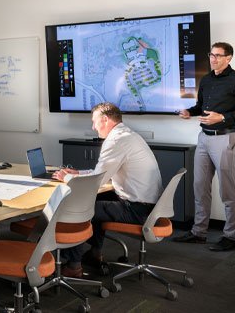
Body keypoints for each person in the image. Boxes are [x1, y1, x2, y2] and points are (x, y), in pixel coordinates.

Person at [53, 102, 162, 277]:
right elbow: (102, 174)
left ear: (105, 120)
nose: (93, 127)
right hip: (146, 204)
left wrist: (66, 177)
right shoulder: (127, 135)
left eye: (94, 122)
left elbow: (97, 181)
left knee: (78, 208)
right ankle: (95, 253)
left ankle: (73, 265)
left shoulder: (116, 141)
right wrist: (78, 173)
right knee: (92, 200)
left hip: (137, 209)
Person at [173, 42, 235, 251]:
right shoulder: (207, 79)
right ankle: (199, 232)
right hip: (204, 138)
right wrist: (189, 112)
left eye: (218, 56)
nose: (213, 59)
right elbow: (201, 106)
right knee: (200, 187)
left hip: (225, 138)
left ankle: (231, 236)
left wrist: (224, 117)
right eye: (211, 55)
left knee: (227, 190)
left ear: (228, 58)